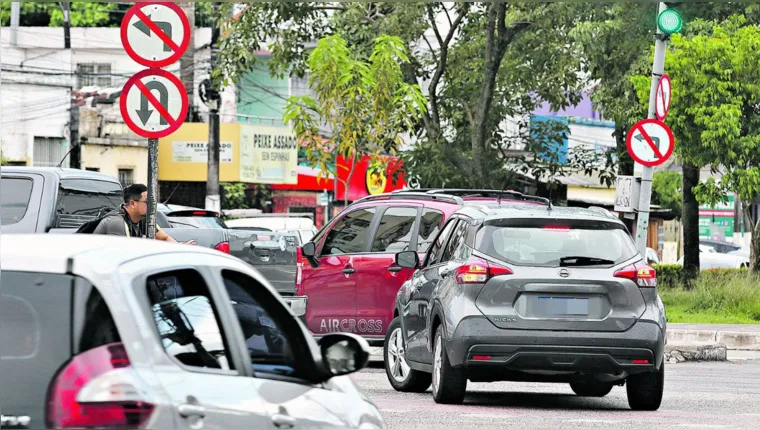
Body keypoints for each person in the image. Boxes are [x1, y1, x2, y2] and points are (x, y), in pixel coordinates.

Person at [93, 183, 177, 241]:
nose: (152, 206)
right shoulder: (117, 222)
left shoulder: (143, 218)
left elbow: (165, 238)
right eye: (147, 202)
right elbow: (125, 255)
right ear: (133, 204)